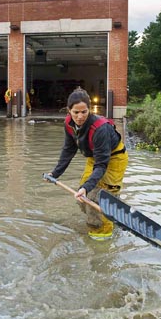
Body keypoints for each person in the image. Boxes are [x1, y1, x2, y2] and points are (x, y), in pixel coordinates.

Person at [44, 88, 128, 240]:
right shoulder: (69, 124)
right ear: (69, 110)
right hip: (94, 158)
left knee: (98, 198)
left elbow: (102, 165)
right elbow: (69, 150)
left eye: (84, 112)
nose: (80, 116)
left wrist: (87, 187)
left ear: (90, 110)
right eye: (76, 112)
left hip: (114, 159)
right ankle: (111, 216)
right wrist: (56, 173)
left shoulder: (100, 129)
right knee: (83, 197)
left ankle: (103, 236)